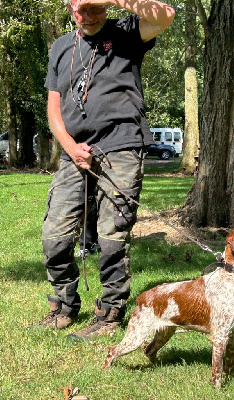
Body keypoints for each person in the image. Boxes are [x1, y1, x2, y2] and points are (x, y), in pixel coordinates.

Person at [38, 0, 175, 340]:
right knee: (54, 235)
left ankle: (111, 312)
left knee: (111, 237)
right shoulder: (60, 47)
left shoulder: (126, 32)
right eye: (83, 10)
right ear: (71, 9)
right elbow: (53, 110)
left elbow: (166, 15)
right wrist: (70, 148)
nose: (90, 17)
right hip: (75, 152)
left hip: (121, 145)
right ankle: (64, 306)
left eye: (96, 9)